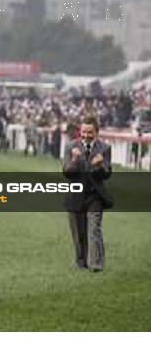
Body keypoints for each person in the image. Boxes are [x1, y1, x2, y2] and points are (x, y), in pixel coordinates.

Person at [62, 115, 113, 272]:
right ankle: (81, 262)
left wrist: (100, 166)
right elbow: (66, 173)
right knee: (78, 232)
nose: (86, 135)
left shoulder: (104, 148)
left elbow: (107, 174)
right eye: (83, 132)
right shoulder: (71, 147)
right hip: (76, 195)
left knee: (94, 229)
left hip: (94, 195)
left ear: (97, 132)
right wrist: (75, 160)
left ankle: (97, 263)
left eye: (90, 132)